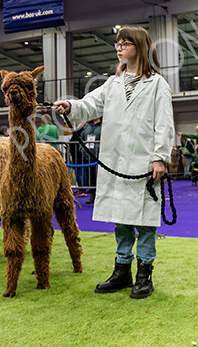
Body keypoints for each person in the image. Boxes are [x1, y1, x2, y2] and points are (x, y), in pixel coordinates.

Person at [53, 26, 175, 299]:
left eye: (125, 43)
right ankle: (122, 270)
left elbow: (164, 124)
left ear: (139, 47)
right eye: (117, 43)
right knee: (120, 219)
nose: (119, 47)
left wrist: (159, 157)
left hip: (143, 164)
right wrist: (70, 106)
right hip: (116, 162)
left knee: (144, 221)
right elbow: (90, 105)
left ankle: (145, 274)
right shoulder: (112, 83)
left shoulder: (157, 84)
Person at [77, 117, 102, 204]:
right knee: (91, 177)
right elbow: (81, 137)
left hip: (100, 157)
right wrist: (82, 149)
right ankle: (93, 195)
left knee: (99, 177)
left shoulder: (103, 126)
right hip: (88, 156)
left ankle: (100, 196)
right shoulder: (88, 126)